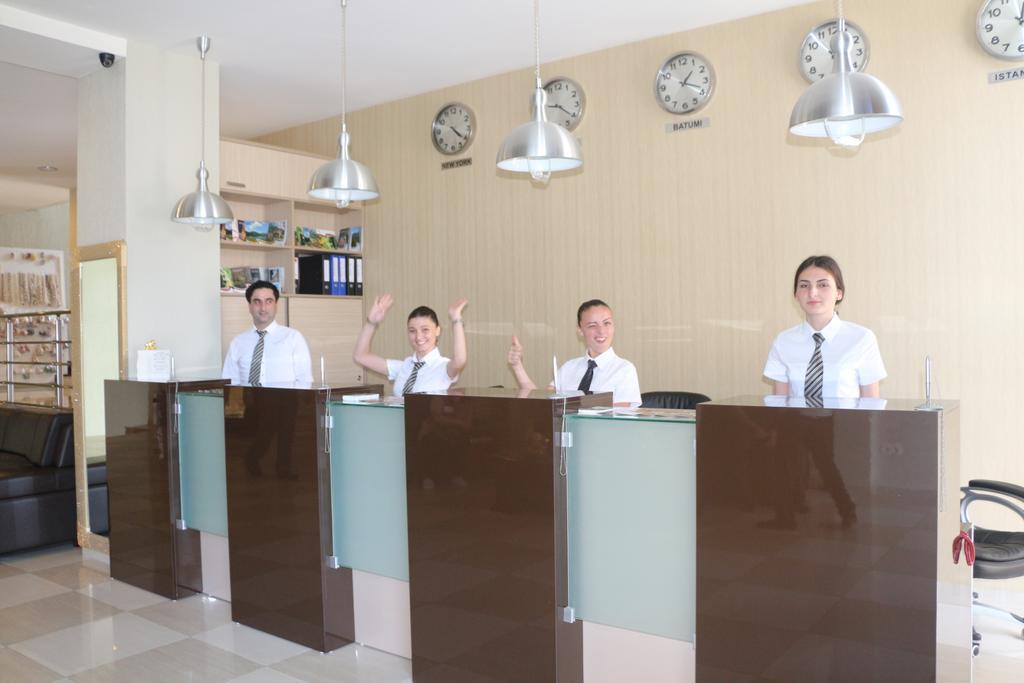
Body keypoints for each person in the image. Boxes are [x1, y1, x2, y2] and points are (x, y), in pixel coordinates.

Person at [763, 255, 886, 402]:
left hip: (846, 418)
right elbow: (779, 405)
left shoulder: (862, 338)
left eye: (822, 285)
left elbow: (871, 405)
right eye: (804, 286)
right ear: (796, 295)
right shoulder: (783, 341)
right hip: (797, 418)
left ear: (839, 293)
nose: (812, 293)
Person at [507, 299, 641, 407]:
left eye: (607, 323)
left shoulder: (624, 370)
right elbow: (541, 403)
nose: (601, 331)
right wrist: (517, 366)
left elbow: (617, 418)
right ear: (580, 330)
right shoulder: (569, 368)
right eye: (592, 325)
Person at [353, 294, 468, 396]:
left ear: (438, 330)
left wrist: (456, 320)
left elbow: (459, 360)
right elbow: (360, 356)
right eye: (412, 331)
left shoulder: (443, 367)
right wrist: (371, 322)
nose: (418, 336)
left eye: (425, 329)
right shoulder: (404, 366)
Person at [222, 280, 313, 385]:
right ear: (249, 307)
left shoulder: (294, 338)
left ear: (276, 305)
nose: (263, 308)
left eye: (269, 301)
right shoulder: (237, 343)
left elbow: (304, 381)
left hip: (285, 396)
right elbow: (231, 384)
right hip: (248, 397)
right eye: (257, 302)